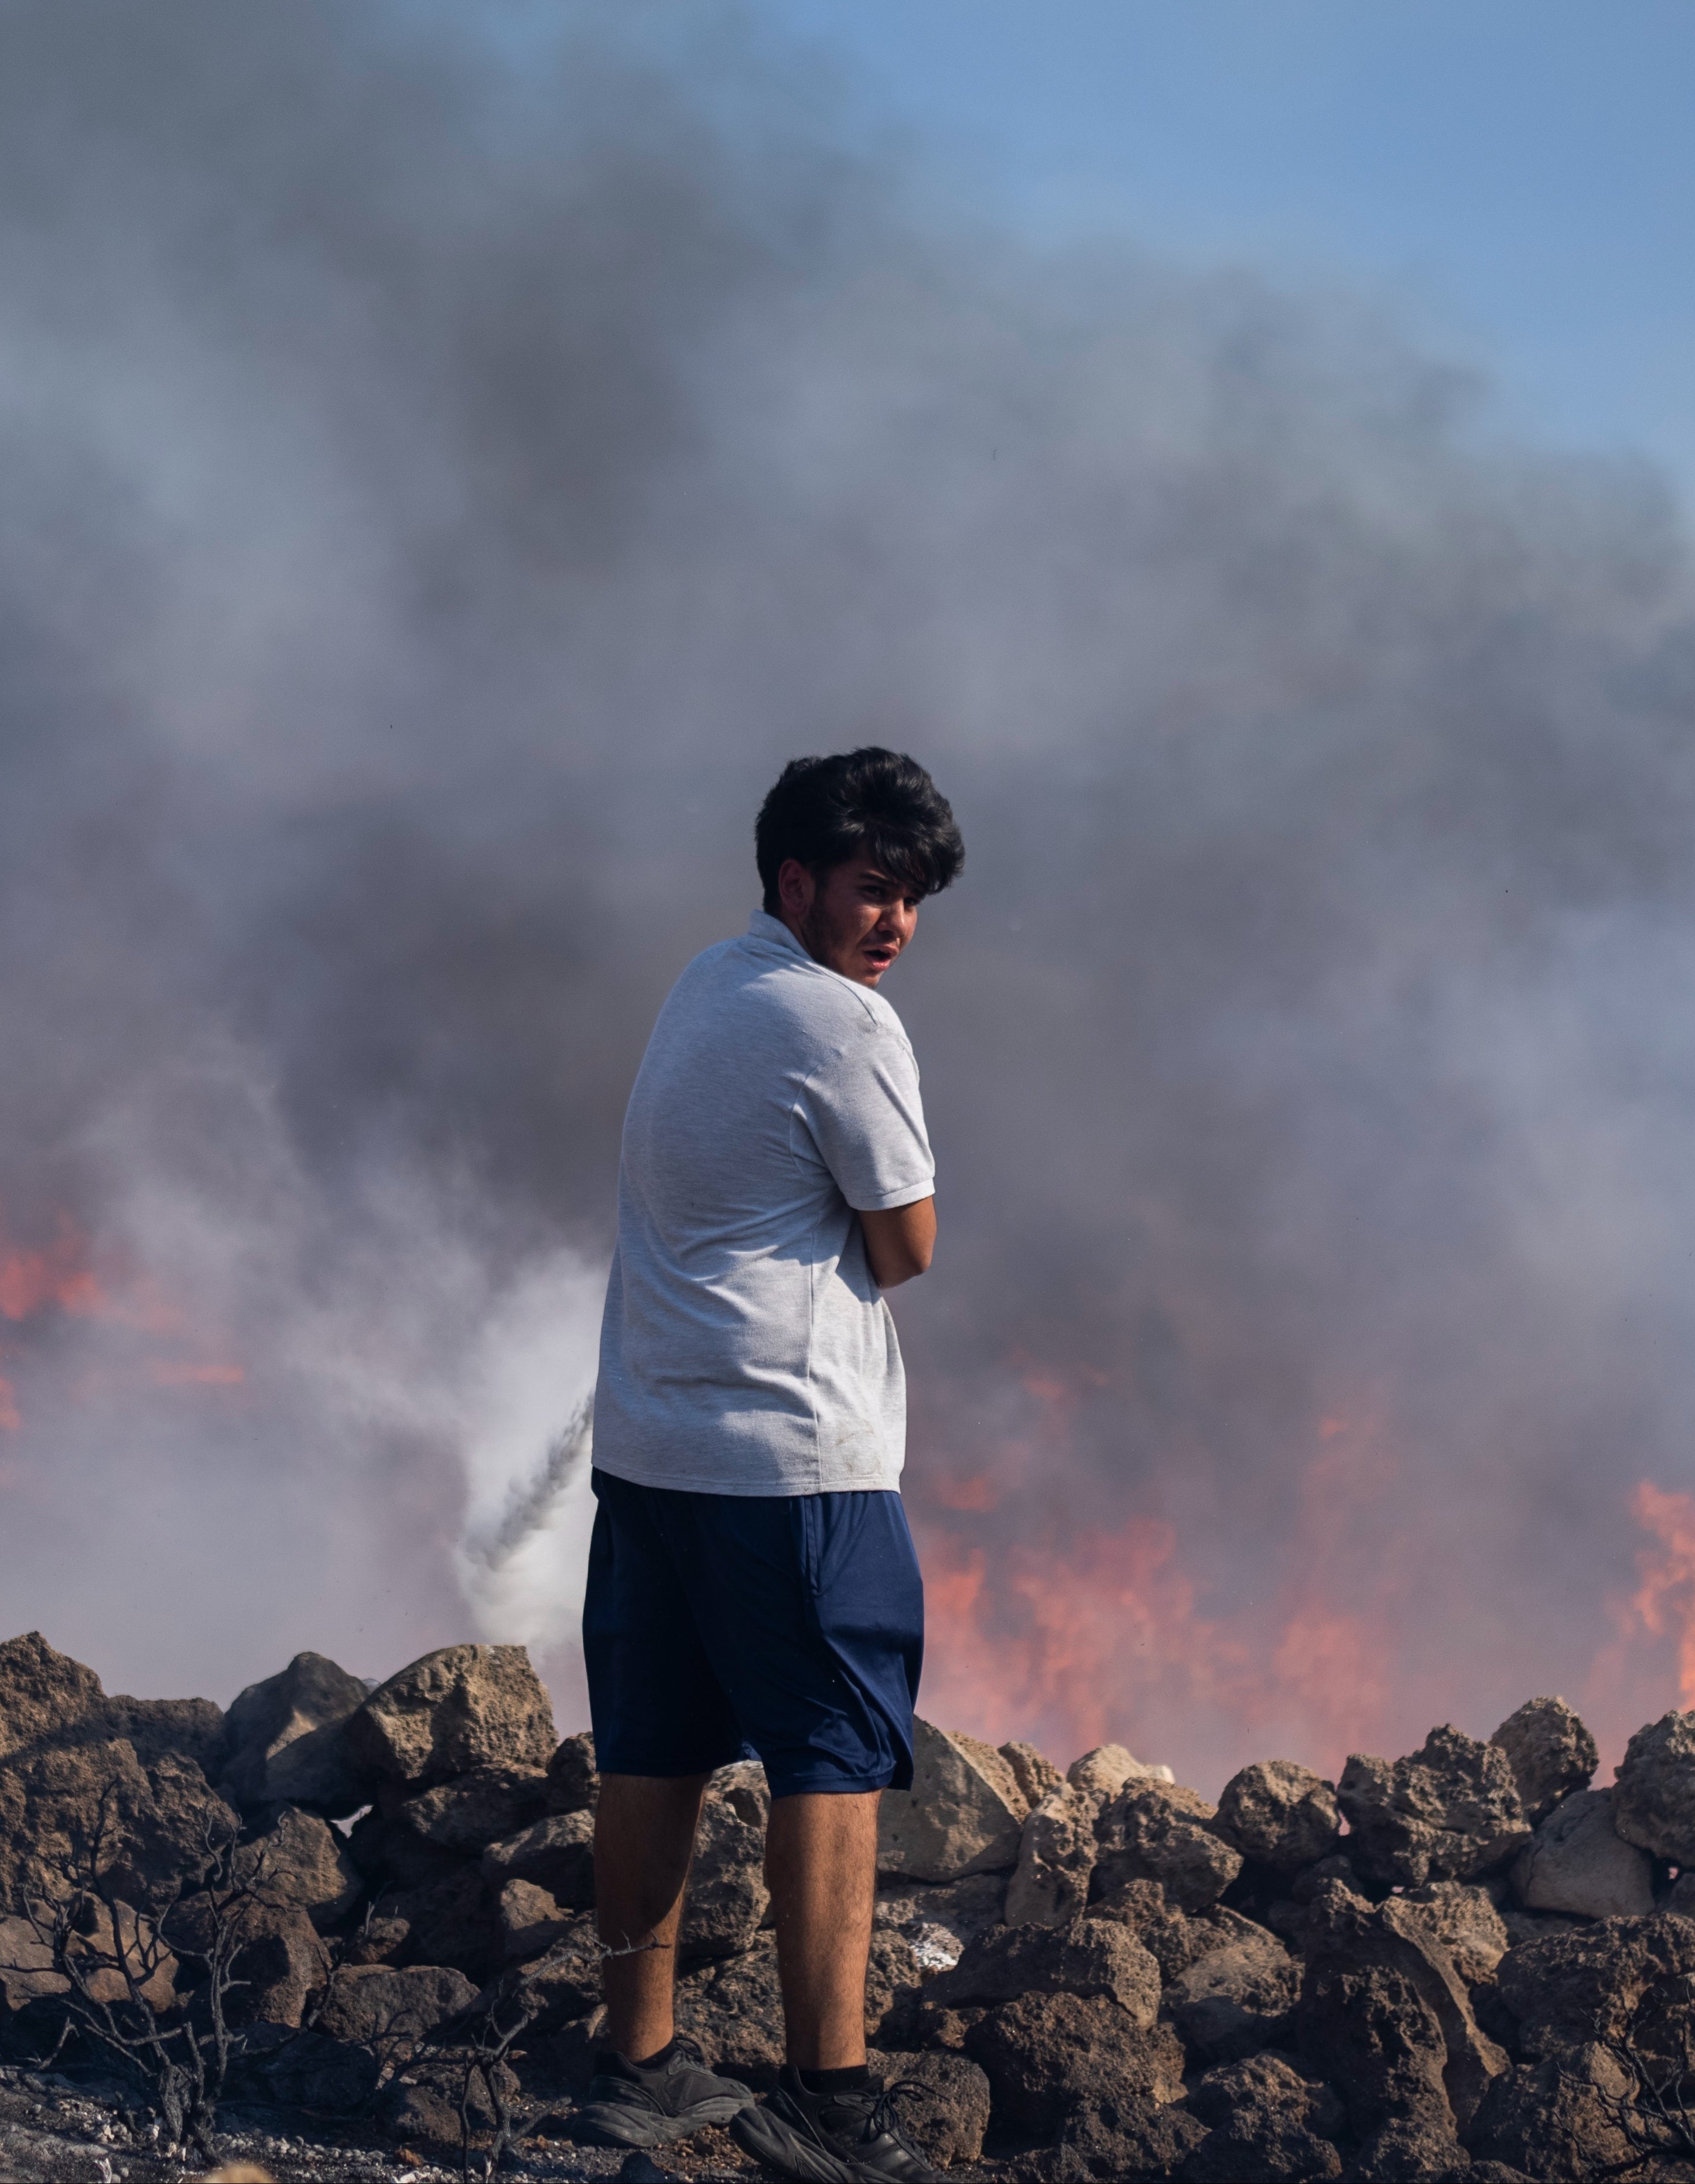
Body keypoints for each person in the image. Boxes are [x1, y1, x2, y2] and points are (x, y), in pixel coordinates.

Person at [570, 748, 965, 2184]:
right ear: (794, 879)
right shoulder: (843, 1023)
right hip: (791, 1459)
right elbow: (906, 1242)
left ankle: (635, 2062)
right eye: (872, 888)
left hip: (650, 1442)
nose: (894, 922)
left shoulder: (703, 984)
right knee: (833, 1756)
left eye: (912, 897)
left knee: (653, 1743)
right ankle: (827, 2096)